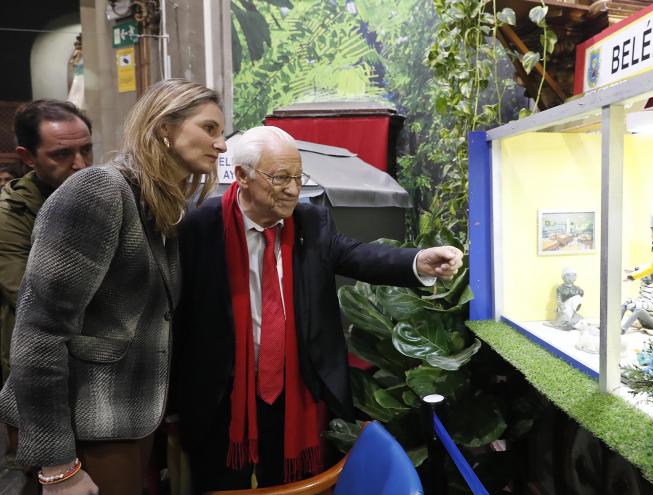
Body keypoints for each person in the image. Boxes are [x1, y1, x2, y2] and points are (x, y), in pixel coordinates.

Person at [172, 126, 463, 492]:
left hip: (298, 388)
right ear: (242, 176)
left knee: (295, 481)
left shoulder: (311, 221)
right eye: (280, 178)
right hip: (223, 391)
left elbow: (358, 255)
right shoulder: (199, 227)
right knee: (221, 482)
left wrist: (418, 261)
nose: (293, 189)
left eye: (298, 176)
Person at [0, 79, 226, 495]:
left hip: (125, 420)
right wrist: (58, 466)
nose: (222, 145)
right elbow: (39, 333)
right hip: (83, 424)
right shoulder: (100, 189)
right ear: (163, 127)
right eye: (209, 129)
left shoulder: (155, 203)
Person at [1, 100, 93, 386]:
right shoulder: (10, 214)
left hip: (94, 360)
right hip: (35, 366)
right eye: (62, 154)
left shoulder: (99, 197)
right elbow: (35, 300)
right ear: (28, 157)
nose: (80, 164)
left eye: (86, 149)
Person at [621, 216, 653, 335]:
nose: (651, 236)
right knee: (627, 302)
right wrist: (633, 271)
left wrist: (632, 276)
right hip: (649, 304)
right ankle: (613, 325)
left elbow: (650, 268)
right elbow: (647, 266)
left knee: (636, 307)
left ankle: (621, 330)